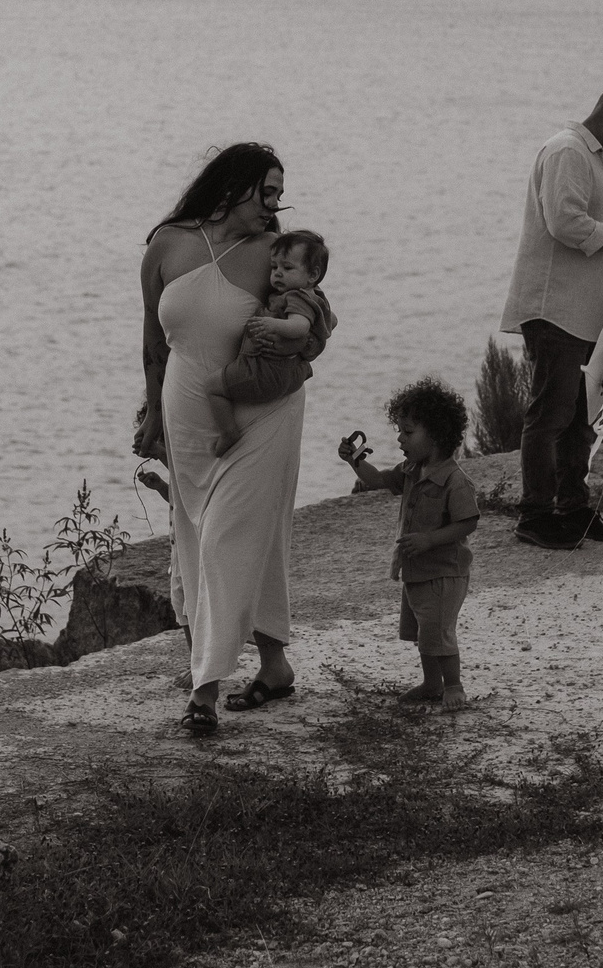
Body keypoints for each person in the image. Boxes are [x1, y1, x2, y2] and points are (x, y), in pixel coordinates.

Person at [135, 143, 311, 734]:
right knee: (199, 537)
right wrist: (150, 417)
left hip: (261, 416)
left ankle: (204, 690)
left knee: (226, 538)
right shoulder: (167, 242)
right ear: (233, 186)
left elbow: (312, 324)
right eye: (267, 192)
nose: (274, 205)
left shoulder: (274, 256)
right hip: (187, 415)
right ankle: (274, 666)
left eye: (279, 195)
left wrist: (287, 335)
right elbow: (154, 344)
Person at [500, 85, 603, 550]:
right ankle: (535, 515)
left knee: (577, 417)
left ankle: (572, 509)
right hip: (555, 311)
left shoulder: (587, 158)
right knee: (550, 414)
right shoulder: (568, 151)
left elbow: (581, 222)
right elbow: (564, 222)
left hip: (578, 315)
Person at [337, 377, 480, 710]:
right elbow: (376, 481)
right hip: (416, 570)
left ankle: (454, 685)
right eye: (399, 430)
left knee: (439, 632)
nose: (399, 438)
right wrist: (353, 460)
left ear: (436, 435)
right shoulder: (413, 469)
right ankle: (432, 683)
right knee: (422, 632)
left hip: (444, 573)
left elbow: (468, 521)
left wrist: (430, 539)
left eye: (408, 432)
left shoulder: (455, 481)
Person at [209, 230, 337, 457]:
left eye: (287, 268)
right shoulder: (316, 297)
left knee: (213, 387)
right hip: (294, 374)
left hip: (265, 372)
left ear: (312, 274)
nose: (277, 274)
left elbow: (300, 326)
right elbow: (332, 321)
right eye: (274, 267)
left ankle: (228, 432)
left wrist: (272, 324)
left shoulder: (297, 297)